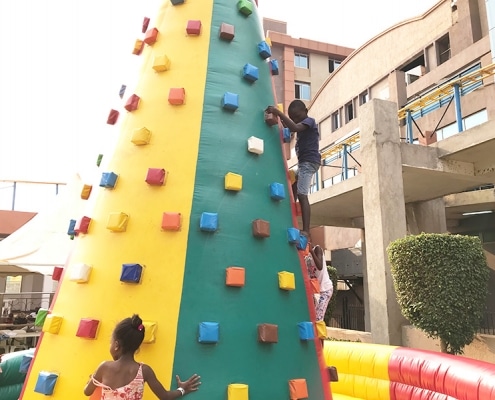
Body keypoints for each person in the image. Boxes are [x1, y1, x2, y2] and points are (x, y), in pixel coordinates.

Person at [84, 314, 201, 399]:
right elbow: (165, 396)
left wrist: (93, 379)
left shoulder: (104, 367)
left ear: (116, 345)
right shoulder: (144, 371)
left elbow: (87, 392)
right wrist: (182, 390)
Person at [266, 100, 321, 238]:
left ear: (305, 111)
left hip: (309, 163)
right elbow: (290, 127)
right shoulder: (300, 123)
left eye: (297, 116)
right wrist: (279, 119)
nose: (295, 120)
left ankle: (306, 230)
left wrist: (278, 113)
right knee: (291, 181)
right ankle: (290, 214)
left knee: (303, 194)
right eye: (293, 118)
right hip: (303, 164)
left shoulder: (310, 121)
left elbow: (295, 128)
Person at [306, 243, 333, 322]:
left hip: (325, 289)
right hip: (315, 291)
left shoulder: (317, 249)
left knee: (318, 318)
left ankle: (319, 334)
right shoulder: (306, 257)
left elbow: (320, 267)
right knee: (312, 316)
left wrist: (311, 251)